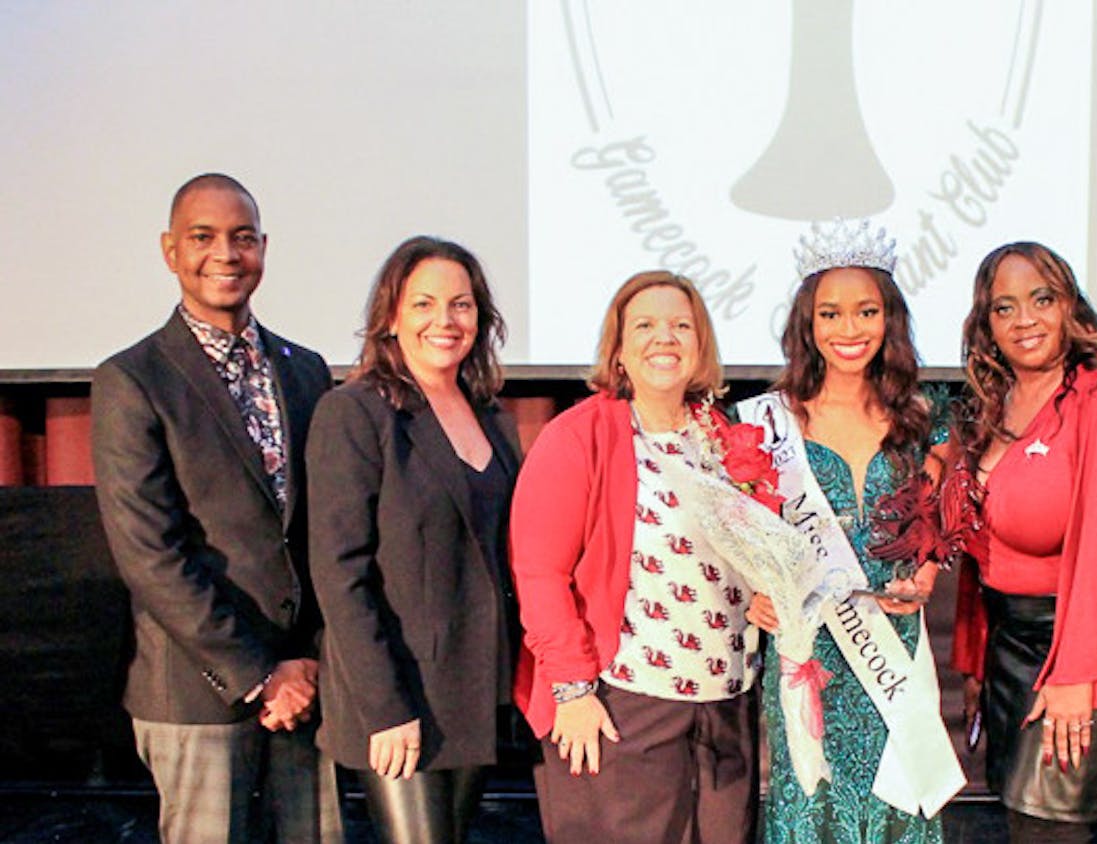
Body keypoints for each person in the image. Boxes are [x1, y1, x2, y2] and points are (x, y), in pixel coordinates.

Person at [91, 173, 342, 843]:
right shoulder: (133, 378)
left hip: (305, 689)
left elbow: (327, 531)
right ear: (171, 250)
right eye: (203, 238)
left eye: (243, 238)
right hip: (198, 692)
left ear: (264, 248)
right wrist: (261, 675)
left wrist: (308, 662)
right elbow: (150, 556)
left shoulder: (306, 370)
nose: (225, 254)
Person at [509, 271, 759, 844]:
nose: (664, 338)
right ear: (619, 349)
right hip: (621, 703)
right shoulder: (578, 436)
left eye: (680, 325)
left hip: (724, 707)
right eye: (644, 325)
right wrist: (572, 691)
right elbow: (539, 574)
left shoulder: (723, 438)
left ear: (701, 345)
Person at [746, 218, 964, 843]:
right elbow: (745, 534)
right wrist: (755, 592)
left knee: (899, 792)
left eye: (865, 312)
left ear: (888, 319)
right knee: (812, 793)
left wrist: (923, 575)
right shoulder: (767, 421)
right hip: (809, 644)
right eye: (830, 314)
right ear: (807, 325)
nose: (849, 330)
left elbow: (943, 513)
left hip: (890, 637)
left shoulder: (927, 415)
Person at [947, 242, 1097, 842]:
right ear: (986, 324)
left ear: (1070, 304)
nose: (1025, 319)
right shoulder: (990, 402)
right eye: (1005, 307)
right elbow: (982, 546)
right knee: (1023, 824)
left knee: (1051, 830)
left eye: (1042, 299)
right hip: (1008, 652)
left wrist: (1078, 673)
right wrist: (976, 660)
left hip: (1074, 653)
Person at [306, 236, 521, 843]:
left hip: (473, 692)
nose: (444, 321)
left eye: (461, 304)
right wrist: (386, 707)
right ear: (391, 316)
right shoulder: (354, 413)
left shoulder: (492, 417)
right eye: (423, 304)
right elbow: (339, 575)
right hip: (399, 696)